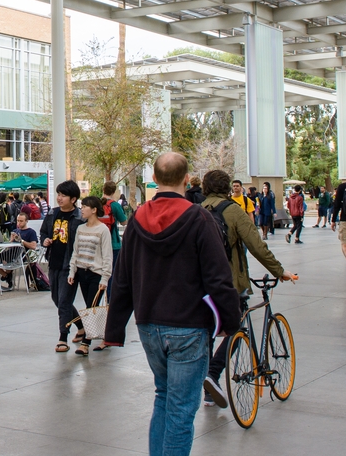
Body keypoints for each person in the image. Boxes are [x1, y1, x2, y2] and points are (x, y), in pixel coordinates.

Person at [103, 153, 241, 456]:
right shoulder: (199, 218)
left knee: (164, 396)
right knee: (181, 409)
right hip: (189, 326)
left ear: (155, 176)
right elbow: (219, 277)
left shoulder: (138, 218)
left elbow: (123, 277)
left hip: (149, 324)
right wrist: (231, 321)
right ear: (185, 177)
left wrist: (114, 329)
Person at [200, 169, 296, 408]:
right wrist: (279, 271)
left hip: (201, 285)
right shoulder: (233, 211)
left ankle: (208, 390)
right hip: (230, 282)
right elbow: (256, 246)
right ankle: (213, 372)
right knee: (236, 325)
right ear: (228, 188)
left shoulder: (197, 211)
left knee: (208, 331)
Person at [40, 180, 83, 352]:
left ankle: (62, 337)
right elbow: (43, 231)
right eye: (58, 194)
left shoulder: (79, 218)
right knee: (57, 299)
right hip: (54, 263)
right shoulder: (52, 214)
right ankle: (81, 326)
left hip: (70, 265)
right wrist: (45, 240)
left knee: (64, 301)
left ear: (73, 199)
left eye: (63, 195)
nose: (59, 198)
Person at [66, 196, 112, 356]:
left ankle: (86, 343)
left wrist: (105, 278)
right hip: (81, 272)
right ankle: (107, 336)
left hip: (96, 274)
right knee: (91, 307)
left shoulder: (103, 230)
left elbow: (107, 256)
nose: (82, 209)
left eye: (85, 206)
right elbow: (75, 252)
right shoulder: (81, 228)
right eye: (82, 206)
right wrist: (72, 271)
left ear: (94, 210)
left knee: (91, 307)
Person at [6, 210, 43, 290]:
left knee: (0, 259)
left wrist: (21, 241)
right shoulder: (15, 231)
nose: (19, 223)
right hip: (12, 253)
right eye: (18, 221)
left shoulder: (31, 232)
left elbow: (33, 246)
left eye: (21, 221)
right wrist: (11, 240)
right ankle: (6, 276)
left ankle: (7, 276)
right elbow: (9, 246)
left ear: (26, 221)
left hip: (22, 255)